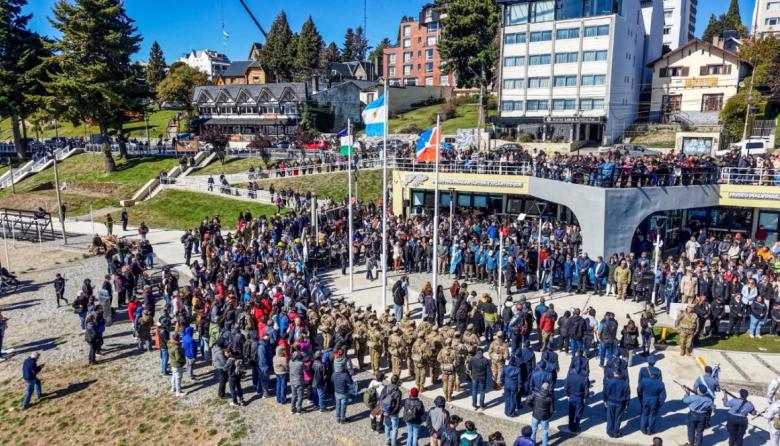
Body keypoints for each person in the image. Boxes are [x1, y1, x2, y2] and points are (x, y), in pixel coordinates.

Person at [637, 370, 666, 435]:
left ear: (650, 375)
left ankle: (643, 429)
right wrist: (660, 404)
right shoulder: (660, 383)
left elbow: (639, 390)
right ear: (657, 376)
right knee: (652, 416)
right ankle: (650, 430)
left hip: (645, 400)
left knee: (644, 415)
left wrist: (641, 397)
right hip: (654, 402)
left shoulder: (644, 381)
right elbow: (663, 396)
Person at [604, 368, 630, 438]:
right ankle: (616, 433)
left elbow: (605, 392)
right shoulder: (625, 384)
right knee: (618, 418)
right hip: (620, 403)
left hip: (610, 402)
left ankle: (610, 432)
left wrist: (605, 400)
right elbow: (627, 395)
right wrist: (627, 403)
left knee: (610, 417)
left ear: (614, 373)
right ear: (620, 373)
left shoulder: (608, 382)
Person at [526, 381, 554, 446]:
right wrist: (548, 416)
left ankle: (532, 443)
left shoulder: (535, 394)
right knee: (545, 431)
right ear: (548, 389)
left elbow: (528, 400)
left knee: (533, 429)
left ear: (541, 387)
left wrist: (533, 407)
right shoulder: (550, 398)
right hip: (545, 417)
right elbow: (551, 410)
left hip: (535, 415)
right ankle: (544, 444)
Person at [379, 374, 403, 446]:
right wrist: (392, 412)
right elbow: (398, 405)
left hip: (385, 411)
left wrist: (383, 410)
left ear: (390, 380)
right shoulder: (398, 392)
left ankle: (387, 441)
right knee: (395, 428)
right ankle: (393, 443)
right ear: (397, 381)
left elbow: (381, 399)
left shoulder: (385, 388)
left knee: (387, 426)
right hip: (394, 413)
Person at [564, 367, 589, 432]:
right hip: (580, 398)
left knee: (571, 412)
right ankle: (576, 426)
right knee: (579, 413)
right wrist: (585, 397)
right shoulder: (584, 378)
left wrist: (567, 395)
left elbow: (566, 387)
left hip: (572, 396)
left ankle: (570, 426)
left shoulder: (569, 377)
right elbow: (586, 390)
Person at [169, 332, 186, 396]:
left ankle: (173, 388)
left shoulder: (169, 344)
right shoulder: (176, 347)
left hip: (173, 364)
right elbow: (178, 358)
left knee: (173, 377)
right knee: (178, 378)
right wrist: (183, 361)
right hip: (178, 365)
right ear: (177, 339)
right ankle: (178, 392)